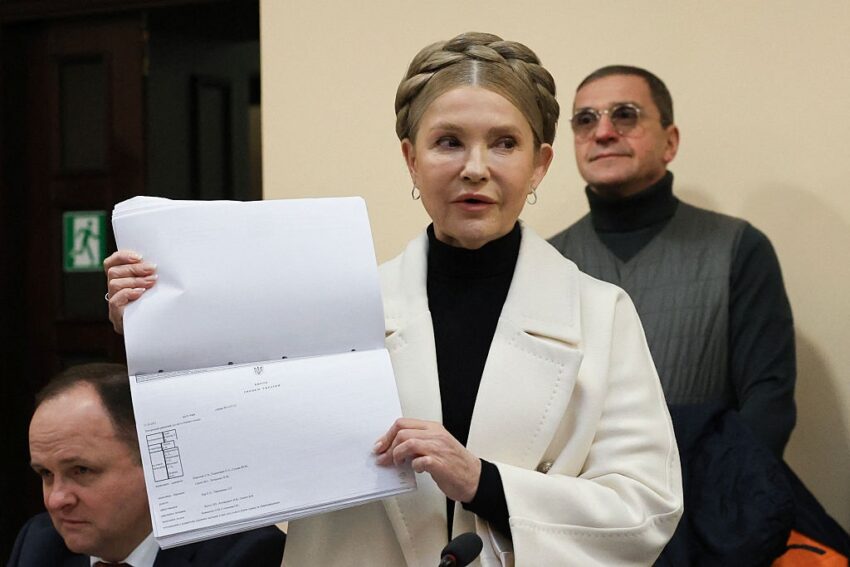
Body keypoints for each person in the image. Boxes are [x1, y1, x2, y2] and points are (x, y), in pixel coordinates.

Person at [104, 33, 683, 566]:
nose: (475, 168)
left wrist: (484, 482)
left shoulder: (600, 314)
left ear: (540, 164)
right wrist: (160, 332)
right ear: (411, 159)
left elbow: (645, 508)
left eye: (505, 143)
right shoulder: (335, 307)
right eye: (448, 142)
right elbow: (231, 448)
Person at [549, 65, 796, 457]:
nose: (603, 132)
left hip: (713, 489)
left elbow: (769, 405)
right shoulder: (546, 264)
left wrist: (713, 488)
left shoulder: (738, 249)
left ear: (670, 141)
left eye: (625, 114)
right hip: (576, 492)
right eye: (585, 120)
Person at [9, 363, 286, 567]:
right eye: (46, 473)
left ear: (156, 464)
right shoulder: (40, 544)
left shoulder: (242, 553)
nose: (56, 500)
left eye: (81, 470)